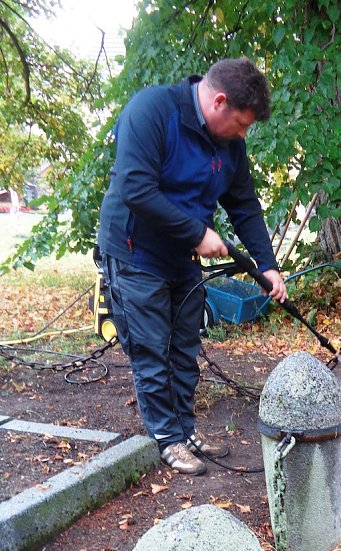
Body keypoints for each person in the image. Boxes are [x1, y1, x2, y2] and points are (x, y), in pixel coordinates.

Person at [98, 58, 286, 476]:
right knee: (151, 350)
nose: (243, 134)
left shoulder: (229, 144)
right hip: (134, 253)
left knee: (185, 348)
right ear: (218, 101)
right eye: (241, 123)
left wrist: (268, 266)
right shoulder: (152, 111)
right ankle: (168, 438)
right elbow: (135, 188)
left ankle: (185, 429)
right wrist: (198, 233)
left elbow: (244, 205)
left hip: (182, 257)